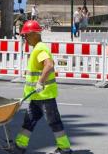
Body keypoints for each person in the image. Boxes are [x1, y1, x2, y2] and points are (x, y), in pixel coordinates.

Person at [15, 20, 72, 154]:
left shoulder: (40, 48)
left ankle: (65, 148)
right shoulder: (37, 48)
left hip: (44, 95)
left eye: (26, 35)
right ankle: (19, 145)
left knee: (54, 122)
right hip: (36, 95)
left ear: (34, 34)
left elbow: (49, 65)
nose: (25, 39)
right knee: (29, 121)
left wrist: (40, 82)